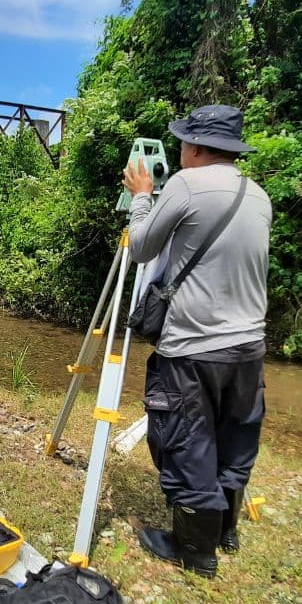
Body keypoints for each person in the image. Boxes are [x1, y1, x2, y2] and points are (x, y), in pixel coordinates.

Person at [121, 105, 272, 580]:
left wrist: (143, 197)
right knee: (234, 437)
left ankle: (194, 548)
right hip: (249, 346)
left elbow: (142, 246)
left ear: (195, 148)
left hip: (194, 345)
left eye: (183, 141)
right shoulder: (258, 194)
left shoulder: (186, 185)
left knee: (188, 440)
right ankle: (224, 529)